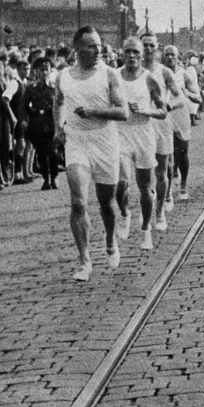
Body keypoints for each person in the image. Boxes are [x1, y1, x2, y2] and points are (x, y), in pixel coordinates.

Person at [55, 27, 128, 281]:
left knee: (107, 203)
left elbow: (124, 112)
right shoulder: (63, 75)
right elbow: (59, 101)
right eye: (90, 46)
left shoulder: (109, 75)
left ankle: (110, 241)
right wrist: (58, 127)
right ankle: (84, 260)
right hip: (76, 142)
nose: (98, 51)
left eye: (99, 45)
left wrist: (95, 111)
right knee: (78, 202)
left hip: (104, 142)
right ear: (77, 49)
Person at [116, 37, 165, 252]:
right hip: (120, 136)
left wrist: (146, 110)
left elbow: (163, 111)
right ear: (122, 54)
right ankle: (125, 214)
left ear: (142, 54)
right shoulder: (114, 77)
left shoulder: (149, 79)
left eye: (136, 52)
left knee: (145, 187)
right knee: (121, 184)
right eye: (128, 52)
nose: (133, 56)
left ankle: (146, 229)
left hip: (144, 137)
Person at [140, 32, 180, 230]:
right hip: (141, 125)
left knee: (162, 170)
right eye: (144, 45)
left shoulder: (164, 72)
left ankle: (160, 212)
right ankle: (150, 202)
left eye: (151, 46)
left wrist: (167, 107)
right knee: (144, 173)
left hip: (161, 125)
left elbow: (179, 97)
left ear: (157, 48)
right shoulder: (132, 71)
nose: (148, 49)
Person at [22, 57, 59, 189]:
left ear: (50, 71)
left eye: (46, 70)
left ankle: (54, 176)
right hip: (37, 123)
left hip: (51, 122)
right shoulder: (31, 88)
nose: (43, 73)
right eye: (41, 70)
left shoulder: (54, 88)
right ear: (36, 72)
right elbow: (24, 106)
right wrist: (27, 119)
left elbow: (60, 106)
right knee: (41, 153)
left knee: (53, 152)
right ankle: (46, 178)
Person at [162, 45, 194, 200]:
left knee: (182, 151)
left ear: (177, 57)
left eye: (172, 55)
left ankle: (183, 184)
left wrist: (185, 93)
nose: (169, 58)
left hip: (180, 113)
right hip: (165, 114)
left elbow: (196, 94)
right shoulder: (158, 73)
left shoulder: (184, 74)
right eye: (166, 55)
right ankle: (167, 190)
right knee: (166, 154)